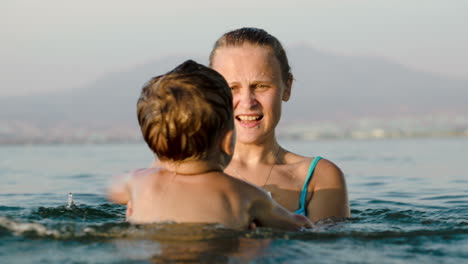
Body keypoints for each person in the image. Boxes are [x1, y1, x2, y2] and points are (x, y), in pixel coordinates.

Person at [107, 60, 312, 230]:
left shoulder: (138, 181)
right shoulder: (245, 194)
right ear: (226, 142)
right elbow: (299, 226)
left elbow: (112, 190)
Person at [209, 28, 350, 222]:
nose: (248, 102)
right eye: (232, 88)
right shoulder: (187, 173)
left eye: (260, 86)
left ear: (287, 88)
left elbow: (329, 249)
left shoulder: (319, 178)